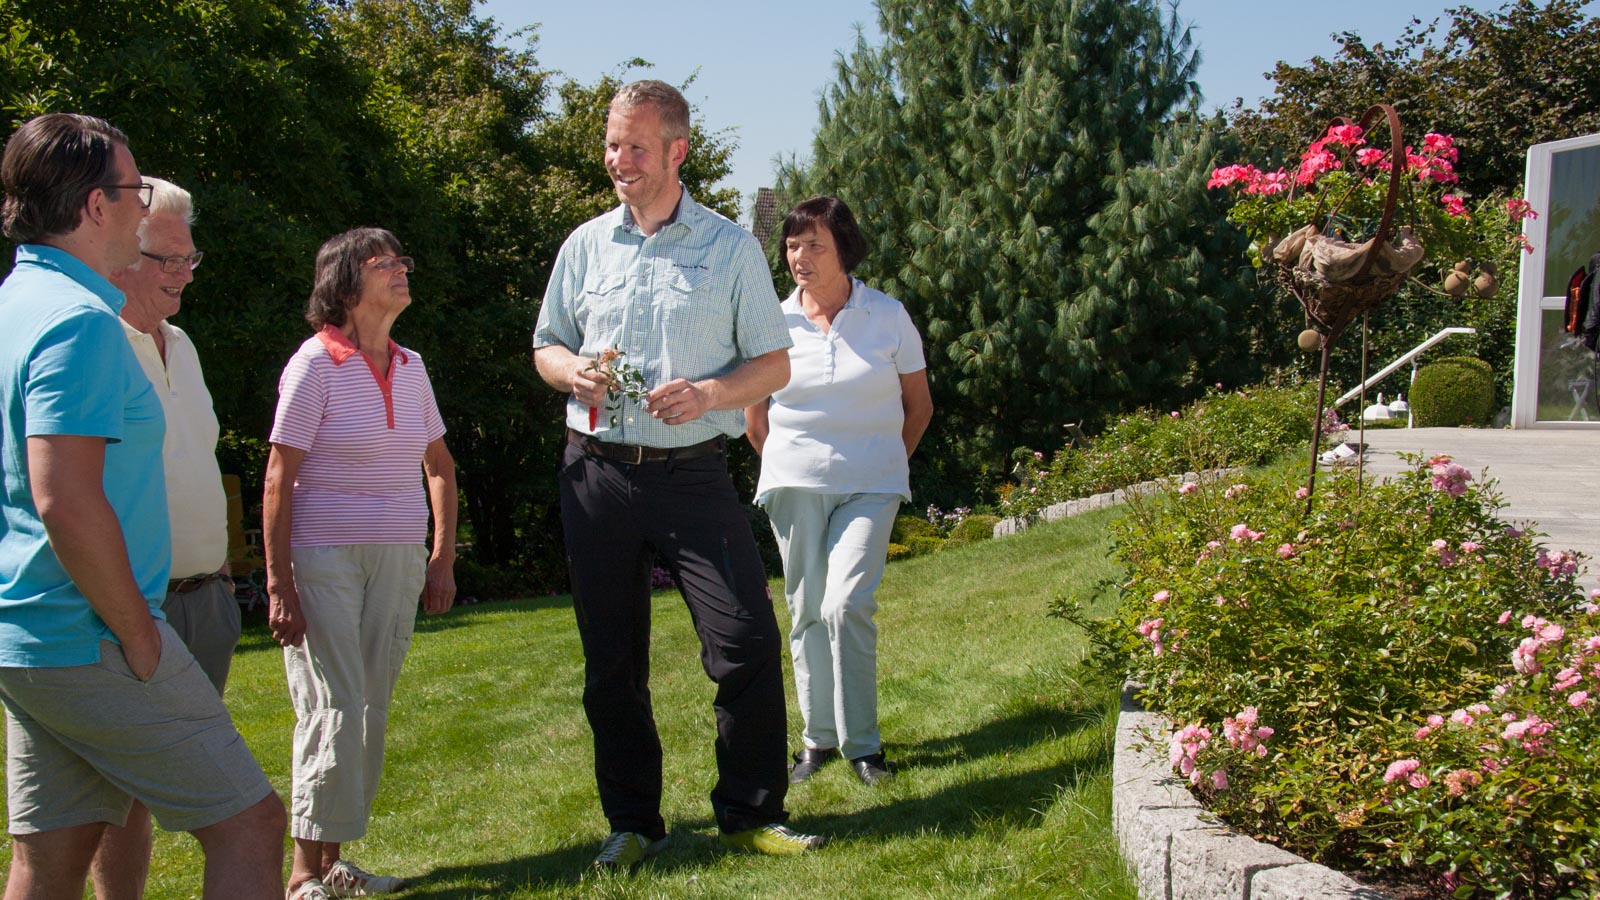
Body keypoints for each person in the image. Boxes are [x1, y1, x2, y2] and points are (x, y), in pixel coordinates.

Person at [532, 79, 823, 872]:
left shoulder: (728, 247)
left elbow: (774, 363)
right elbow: (546, 343)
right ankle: (635, 822)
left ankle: (750, 813)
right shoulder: (585, 245)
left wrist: (710, 394)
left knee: (745, 639)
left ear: (676, 150)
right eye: (610, 145)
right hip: (595, 475)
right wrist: (573, 374)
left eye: (633, 146)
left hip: (693, 475)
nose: (616, 160)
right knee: (611, 661)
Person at [0, 113, 284, 898]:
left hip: (29, 638)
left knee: (50, 859)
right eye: (130, 189)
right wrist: (137, 629)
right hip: (90, 633)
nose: (138, 203)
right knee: (252, 827)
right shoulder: (78, 324)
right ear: (96, 206)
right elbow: (64, 498)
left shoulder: (14, 304)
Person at [264, 227, 457, 900]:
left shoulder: (413, 366)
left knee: (368, 707)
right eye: (385, 263)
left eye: (403, 259)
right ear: (346, 285)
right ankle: (300, 876)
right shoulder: (313, 365)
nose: (402, 270)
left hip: (397, 557)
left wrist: (439, 556)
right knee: (332, 705)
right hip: (323, 556)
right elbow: (277, 477)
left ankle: (334, 865)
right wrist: (277, 583)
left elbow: (440, 467)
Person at [745, 196, 933, 787]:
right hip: (793, 483)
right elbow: (756, 419)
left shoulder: (888, 316)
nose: (800, 257)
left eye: (814, 245)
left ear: (844, 248)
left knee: (846, 604)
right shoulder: (771, 324)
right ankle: (817, 741)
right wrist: (788, 464)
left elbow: (919, 406)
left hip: (871, 486)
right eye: (792, 246)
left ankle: (865, 746)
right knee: (805, 609)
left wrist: (883, 466)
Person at [90, 176, 240, 898]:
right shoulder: (94, 341)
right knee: (114, 802)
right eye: (166, 257)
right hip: (131, 606)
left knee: (146, 795)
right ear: (121, 249)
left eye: (190, 258)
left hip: (205, 601)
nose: (183, 273)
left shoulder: (181, 344)